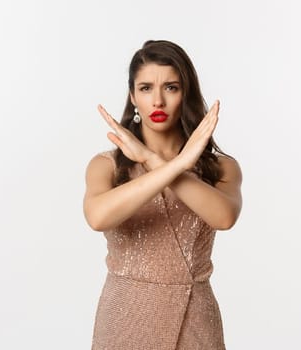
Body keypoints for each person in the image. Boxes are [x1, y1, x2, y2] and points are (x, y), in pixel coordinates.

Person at [82, 40, 243, 349]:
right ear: (132, 96)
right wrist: (176, 165)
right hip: (124, 319)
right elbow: (97, 217)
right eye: (145, 88)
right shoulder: (105, 166)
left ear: (186, 94)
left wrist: (157, 162)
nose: (157, 100)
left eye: (170, 87)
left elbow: (224, 217)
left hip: (195, 317)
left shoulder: (221, 168)